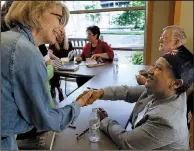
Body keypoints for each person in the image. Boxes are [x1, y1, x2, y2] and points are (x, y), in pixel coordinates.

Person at [1, 2, 94, 150]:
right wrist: (79, 104)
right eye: (59, 19)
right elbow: (45, 120)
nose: (62, 28)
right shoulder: (25, 51)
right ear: (37, 13)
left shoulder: (6, 40)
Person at [76, 53, 190, 150]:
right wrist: (99, 93)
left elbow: (125, 141)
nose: (150, 71)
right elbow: (127, 92)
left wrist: (105, 121)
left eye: (159, 68)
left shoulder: (166, 121)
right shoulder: (168, 92)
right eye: (154, 66)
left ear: (176, 83)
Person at [48, 30, 74, 101]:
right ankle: (59, 89)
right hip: (58, 64)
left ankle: (53, 88)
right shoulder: (53, 43)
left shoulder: (68, 43)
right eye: (59, 35)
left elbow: (72, 56)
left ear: (64, 35)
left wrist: (69, 59)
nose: (60, 37)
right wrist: (58, 59)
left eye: (62, 35)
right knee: (53, 70)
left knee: (53, 69)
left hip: (67, 64)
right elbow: (49, 53)